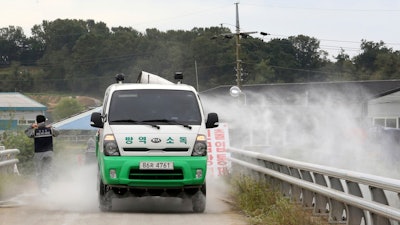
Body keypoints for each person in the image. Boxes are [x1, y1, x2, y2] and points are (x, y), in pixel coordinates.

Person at [25, 114, 59, 193]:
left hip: (38, 154)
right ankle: (46, 188)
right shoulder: (50, 130)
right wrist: (51, 127)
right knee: (47, 171)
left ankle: (41, 189)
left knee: (39, 172)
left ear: (37, 121)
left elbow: (27, 132)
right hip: (49, 153)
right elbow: (57, 133)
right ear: (45, 121)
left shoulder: (35, 131)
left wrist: (31, 126)